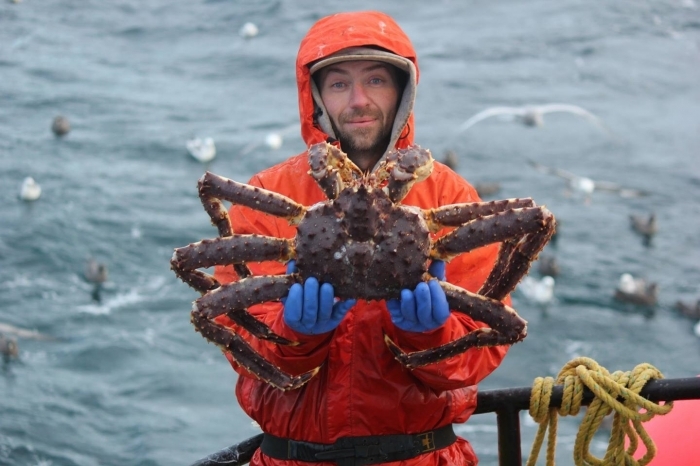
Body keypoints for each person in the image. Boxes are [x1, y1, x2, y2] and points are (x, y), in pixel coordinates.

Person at [213, 11, 511, 466]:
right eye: (338, 84)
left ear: (402, 90)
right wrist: (293, 335)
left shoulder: (449, 197)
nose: (358, 100)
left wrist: (431, 337)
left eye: (375, 80)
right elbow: (238, 338)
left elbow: (487, 341)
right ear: (314, 96)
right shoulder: (267, 196)